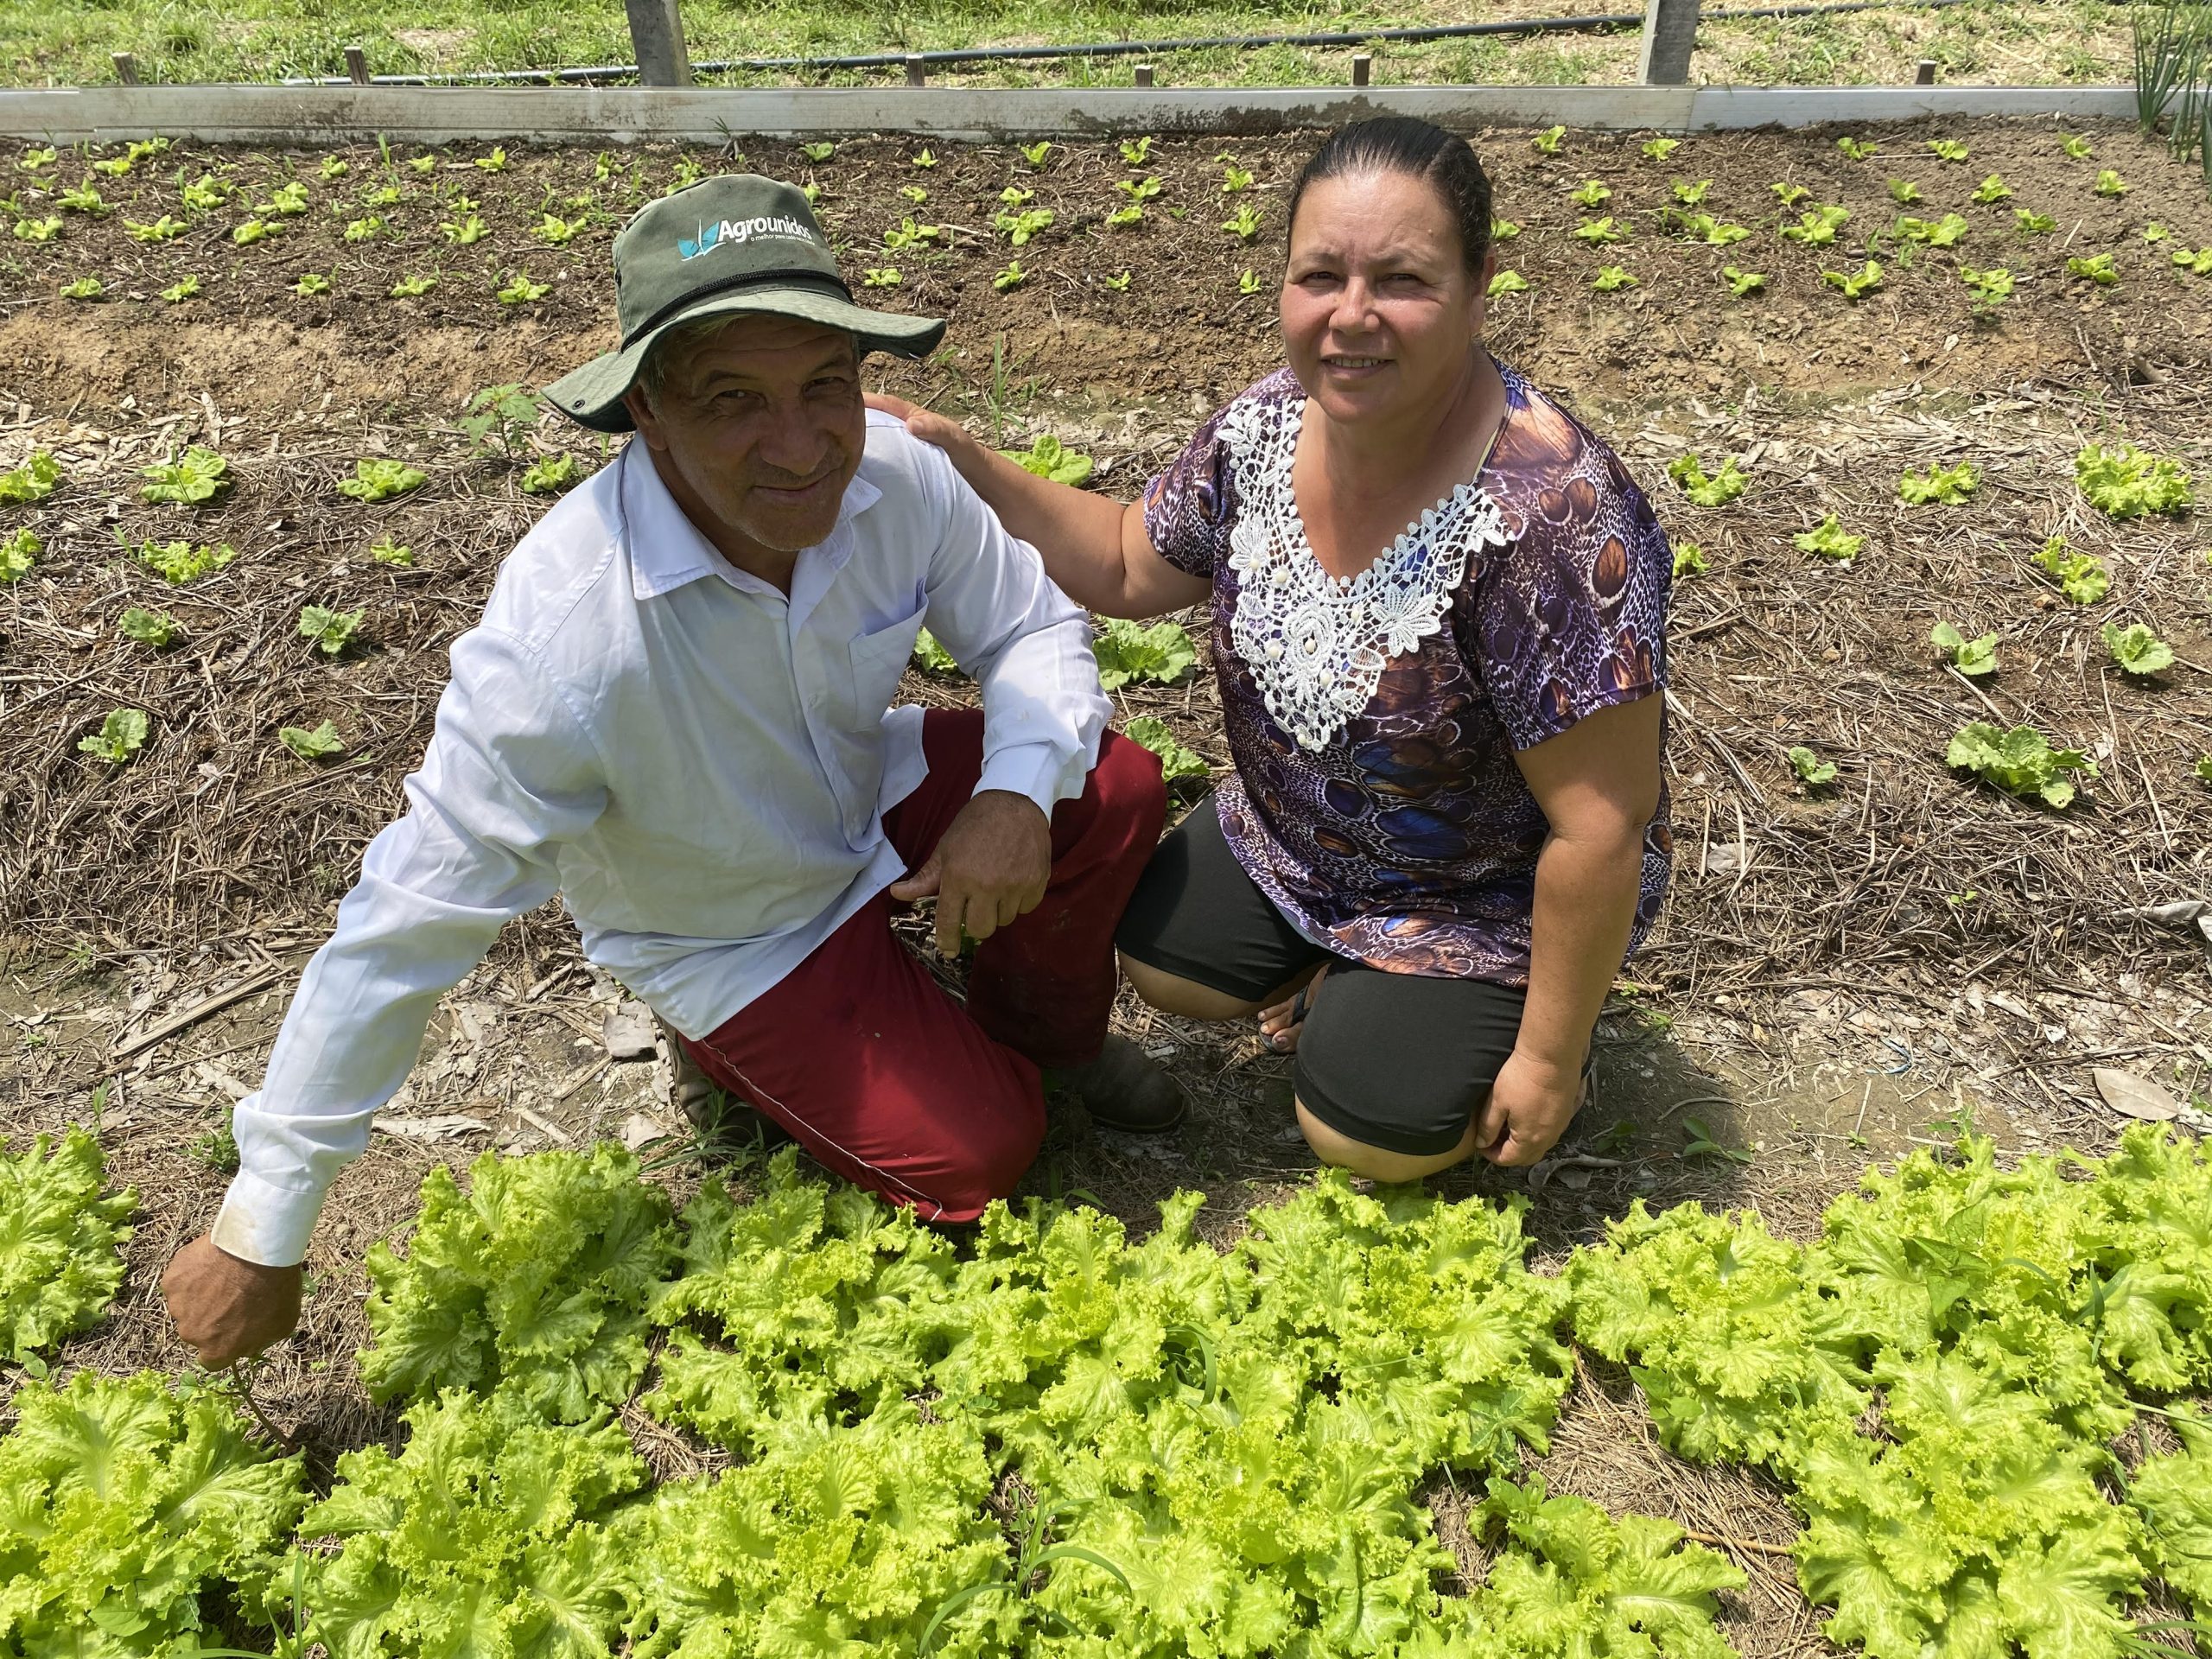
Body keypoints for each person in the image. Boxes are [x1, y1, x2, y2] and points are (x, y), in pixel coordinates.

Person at [162, 175, 1179, 1369]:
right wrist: (264, 1221)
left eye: (825, 386)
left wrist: (1009, 798)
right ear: (648, 410)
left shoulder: (898, 477)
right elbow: (407, 920)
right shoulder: (565, 637)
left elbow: (1029, 632)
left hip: (858, 799)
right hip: (735, 927)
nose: (801, 447)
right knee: (984, 1151)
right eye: (734, 400)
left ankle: (1045, 1039)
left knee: (1103, 788)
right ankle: (751, 1048)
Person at [877, 117, 1672, 1183]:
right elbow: (1125, 561)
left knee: (1364, 1134)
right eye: (1320, 276)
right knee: (1165, 967)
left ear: (1481, 281)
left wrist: (1549, 1054)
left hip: (1475, 895)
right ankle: (1338, 977)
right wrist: (966, 458)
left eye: (1402, 278)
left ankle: (1436, 1004)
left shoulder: (1550, 519)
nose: (1352, 316)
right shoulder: (1265, 424)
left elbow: (1601, 824)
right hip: (1300, 846)